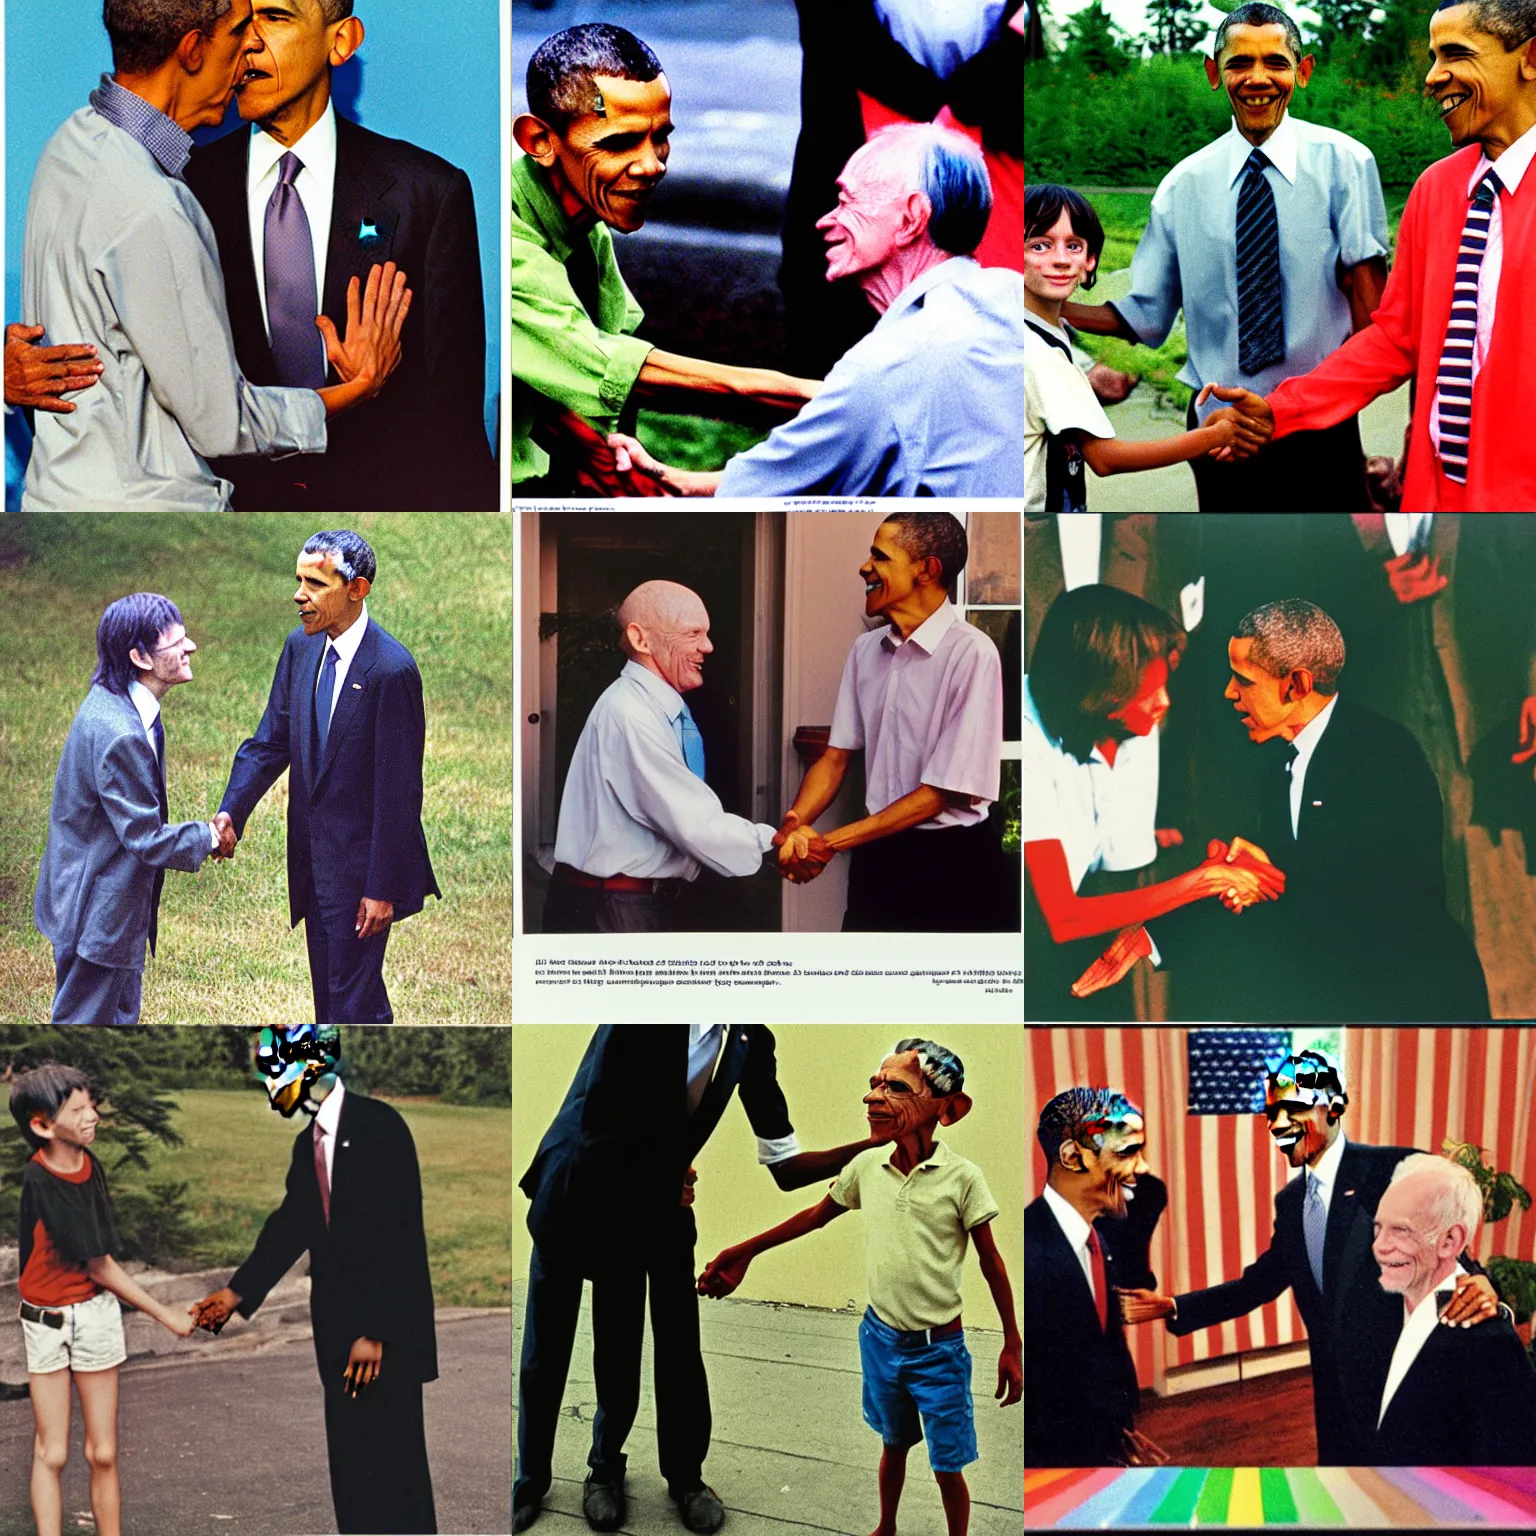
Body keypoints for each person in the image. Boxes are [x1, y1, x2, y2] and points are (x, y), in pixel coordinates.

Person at [19, 0, 410, 510]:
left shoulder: (66, 146)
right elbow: (224, 425)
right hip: (151, 514)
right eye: (239, 31)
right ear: (194, 48)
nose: (250, 48)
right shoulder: (155, 205)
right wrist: (357, 388)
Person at [516, 1025, 883, 1534]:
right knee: (556, 1350)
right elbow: (602, 1121)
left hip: (658, 1194)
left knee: (679, 1342)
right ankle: (546, 1479)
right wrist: (665, 1180)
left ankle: (685, 1478)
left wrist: (873, 1146)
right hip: (581, 1181)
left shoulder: (751, 1037)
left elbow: (784, 1165)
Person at [1062, 3, 1391, 511]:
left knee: (1332, 571)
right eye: (1240, 63)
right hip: (1220, 434)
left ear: (1301, 73)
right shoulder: (1182, 185)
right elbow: (1146, 318)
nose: (1258, 78)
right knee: (1231, 571)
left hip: (1318, 425)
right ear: (1215, 74)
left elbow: (1375, 322)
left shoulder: (1346, 164)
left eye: (1276, 62)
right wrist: (1042, 303)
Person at [184, 0, 497, 511]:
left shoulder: (428, 193)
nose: (249, 40)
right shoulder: (182, 189)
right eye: (240, 21)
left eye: (276, 17)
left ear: (342, 41)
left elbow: (453, 422)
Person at [1117, 1050, 1502, 1465]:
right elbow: (1259, 1284)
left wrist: (1479, 1281)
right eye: (1270, 1114)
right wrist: (1172, 1306)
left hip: (1405, 1397)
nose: (1278, 1125)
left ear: (1333, 1107)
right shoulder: (1291, 1201)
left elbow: (1444, 1236)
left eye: (1292, 1108)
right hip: (1334, 1406)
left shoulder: (1392, 1168)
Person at [1222, 1, 1536, 510]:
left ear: (1530, 58)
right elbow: (1395, 337)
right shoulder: (1436, 189)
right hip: (1441, 508)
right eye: (1433, 57)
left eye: (1456, 54)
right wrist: (1280, 409)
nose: (1434, 77)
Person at [700, 1040, 1020, 1536]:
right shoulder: (868, 1167)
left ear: (948, 1109)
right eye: (874, 1084)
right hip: (881, 1340)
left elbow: (992, 1262)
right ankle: (886, 1527)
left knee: (946, 1464)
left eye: (896, 1087)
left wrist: (1012, 1343)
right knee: (892, 1444)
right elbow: (813, 1216)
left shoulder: (963, 1179)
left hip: (940, 1352)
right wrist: (743, 1251)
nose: (874, 1096)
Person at [611, 125, 1024, 497]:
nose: (827, 220)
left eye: (848, 201)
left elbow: (759, 492)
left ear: (910, 219)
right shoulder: (1010, 302)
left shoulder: (886, 365)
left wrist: (672, 484)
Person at [512, 23, 819, 494]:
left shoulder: (581, 213)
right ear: (539, 140)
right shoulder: (503, 233)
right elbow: (618, 370)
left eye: (660, 137)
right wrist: (821, 397)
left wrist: (597, 459)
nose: (653, 164)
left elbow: (561, 368)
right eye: (618, 143)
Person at [193, 1026, 437, 1535]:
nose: (267, 1086)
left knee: (396, 1470)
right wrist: (237, 1293)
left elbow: (400, 1236)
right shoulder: (310, 1144)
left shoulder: (380, 1126)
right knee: (351, 1468)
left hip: (382, 1337)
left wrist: (376, 1331)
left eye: (271, 1071)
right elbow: (292, 1224)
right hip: (336, 1335)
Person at [1023, 584, 1284, 1020]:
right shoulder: (1021, 746)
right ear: (1102, 699)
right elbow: (1062, 915)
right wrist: (1207, 881)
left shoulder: (1132, 724)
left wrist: (1206, 875)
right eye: (1149, 694)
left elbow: (1120, 877)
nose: (1164, 704)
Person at [214, 530, 439, 1023]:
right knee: (334, 1001)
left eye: (314, 584)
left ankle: (353, 1083)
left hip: (361, 878)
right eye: (299, 581)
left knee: (353, 1004)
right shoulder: (301, 647)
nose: (299, 594)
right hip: (313, 866)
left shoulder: (391, 670)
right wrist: (232, 810)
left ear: (356, 589)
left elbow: (400, 795)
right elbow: (270, 741)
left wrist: (382, 887)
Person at [774, 515, 1015, 933]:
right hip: (876, 861)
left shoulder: (974, 653)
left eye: (879, 556)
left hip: (955, 867)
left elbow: (941, 793)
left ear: (927, 569)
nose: (865, 567)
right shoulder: (865, 650)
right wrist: (795, 824)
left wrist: (828, 843)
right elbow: (835, 759)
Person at [782, 0, 1025, 375]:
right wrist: (941, 110)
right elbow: (833, 23)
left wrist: (983, 83)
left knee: (1003, 308)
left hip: (999, 115)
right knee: (836, 315)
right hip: (862, 102)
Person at [12, 1063, 198, 1536]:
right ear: (42, 1124)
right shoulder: (39, 1179)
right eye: (78, 1109)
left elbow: (101, 1261)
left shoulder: (90, 1166)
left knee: (104, 1451)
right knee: (52, 1452)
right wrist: (166, 1315)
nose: (92, 1114)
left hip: (94, 1316)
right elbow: (98, 1264)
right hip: (48, 1321)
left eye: (91, 1103)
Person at [33, 594, 235, 1026]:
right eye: (176, 643)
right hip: (97, 914)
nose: (190, 647)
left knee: (120, 1017)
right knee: (83, 1024)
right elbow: (145, 836)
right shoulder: (121, 733)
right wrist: (211, 836)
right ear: (140, 656)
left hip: (104, 904)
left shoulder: (117, 704)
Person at [544, 580, 780, 934]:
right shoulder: (629, 714)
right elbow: (693, 823)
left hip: (631, 904)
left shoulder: (654, 707)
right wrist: (775, 844)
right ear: (641, 640)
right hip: (615, 909)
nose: (708, 646)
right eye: (693, 633)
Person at [1025, 185, 1260, 510]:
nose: (1061, 260)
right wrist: (1215, 436)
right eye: (1040, 245)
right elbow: (1105, 459)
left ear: (1090, 260)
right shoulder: (1040, 354)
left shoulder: (1037, 329)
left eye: (1074, 246)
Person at [1361, 1154, 1536, 1465]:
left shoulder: (1490, 1342)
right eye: (1379, 1228)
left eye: (1401, 1230)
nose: (1379, 1245)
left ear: (1450, 1240)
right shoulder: (1383, 1297)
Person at [1024, 1087, 1164, 1468]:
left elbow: (1099, 1352)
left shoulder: (1099, 1239)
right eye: (1127, 1152)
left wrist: (1117, 1431)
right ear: (1072, 1156)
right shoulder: (1026, 1253)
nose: (1143, 1168)